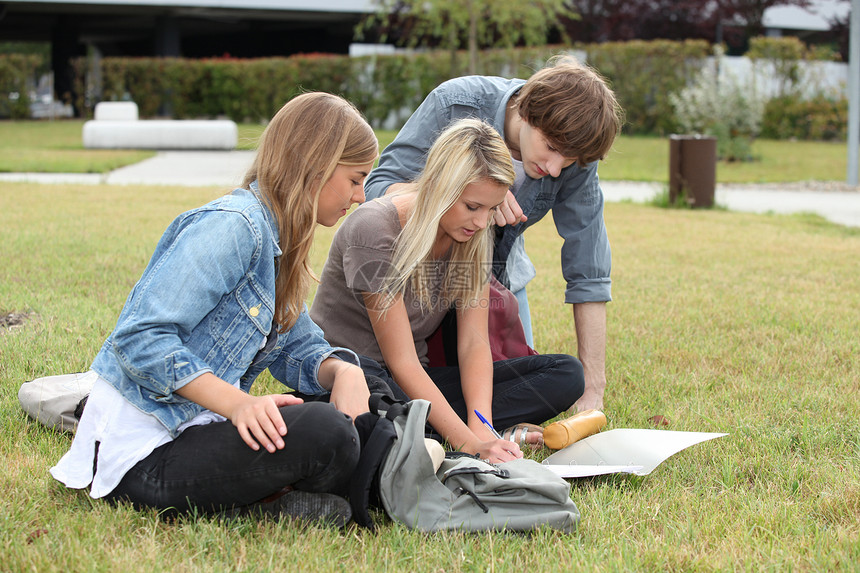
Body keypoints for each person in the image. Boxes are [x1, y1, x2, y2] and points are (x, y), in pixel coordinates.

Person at [50, 93, 379, 527]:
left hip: (197, 433)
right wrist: (239, 404)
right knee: (327, 432)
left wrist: (344, 372)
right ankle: (273, 500)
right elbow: (140, 338)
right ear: (317, 166)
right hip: (142, 455)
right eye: (356, 179)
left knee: (363, 392)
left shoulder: (280, 243)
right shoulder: (233, 227)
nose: (360, 196)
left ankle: (280, 497)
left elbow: (298, 348)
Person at [310, 118, 584, 464]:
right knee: (396, 420)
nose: (482, 222)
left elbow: (473, 344)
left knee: (566, 374)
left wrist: (480, 424)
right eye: (472, 207)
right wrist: (470, 445)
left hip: (418, 384)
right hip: (357, 379)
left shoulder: (470, 237)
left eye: (491, 208)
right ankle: (435, 434)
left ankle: (457, 431)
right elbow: (401, 361)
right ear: (440, 187)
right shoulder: (374, 230)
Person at [364, 55, 623, 413]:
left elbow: (589, 271)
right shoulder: (454, 103)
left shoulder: (573, 152)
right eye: (551, 148)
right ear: (528, 110)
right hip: (416, 278)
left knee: (533, 381)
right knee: (410, 372)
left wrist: (592, 391)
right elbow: (377, 190)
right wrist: (466, 195)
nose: (554, 168)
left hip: (496, 279)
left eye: (568, 161)